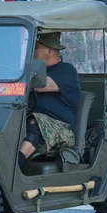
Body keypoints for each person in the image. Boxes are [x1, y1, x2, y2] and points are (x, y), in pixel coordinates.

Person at [18, 32, 81, 167]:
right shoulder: (30, 71)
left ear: (50, 49)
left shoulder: (66, 70)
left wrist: (15, 78)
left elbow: (40, 85)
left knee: (33, 121)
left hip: (60, 127)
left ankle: (15, 165)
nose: (32, 51)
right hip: (26, 116)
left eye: (36, 47)